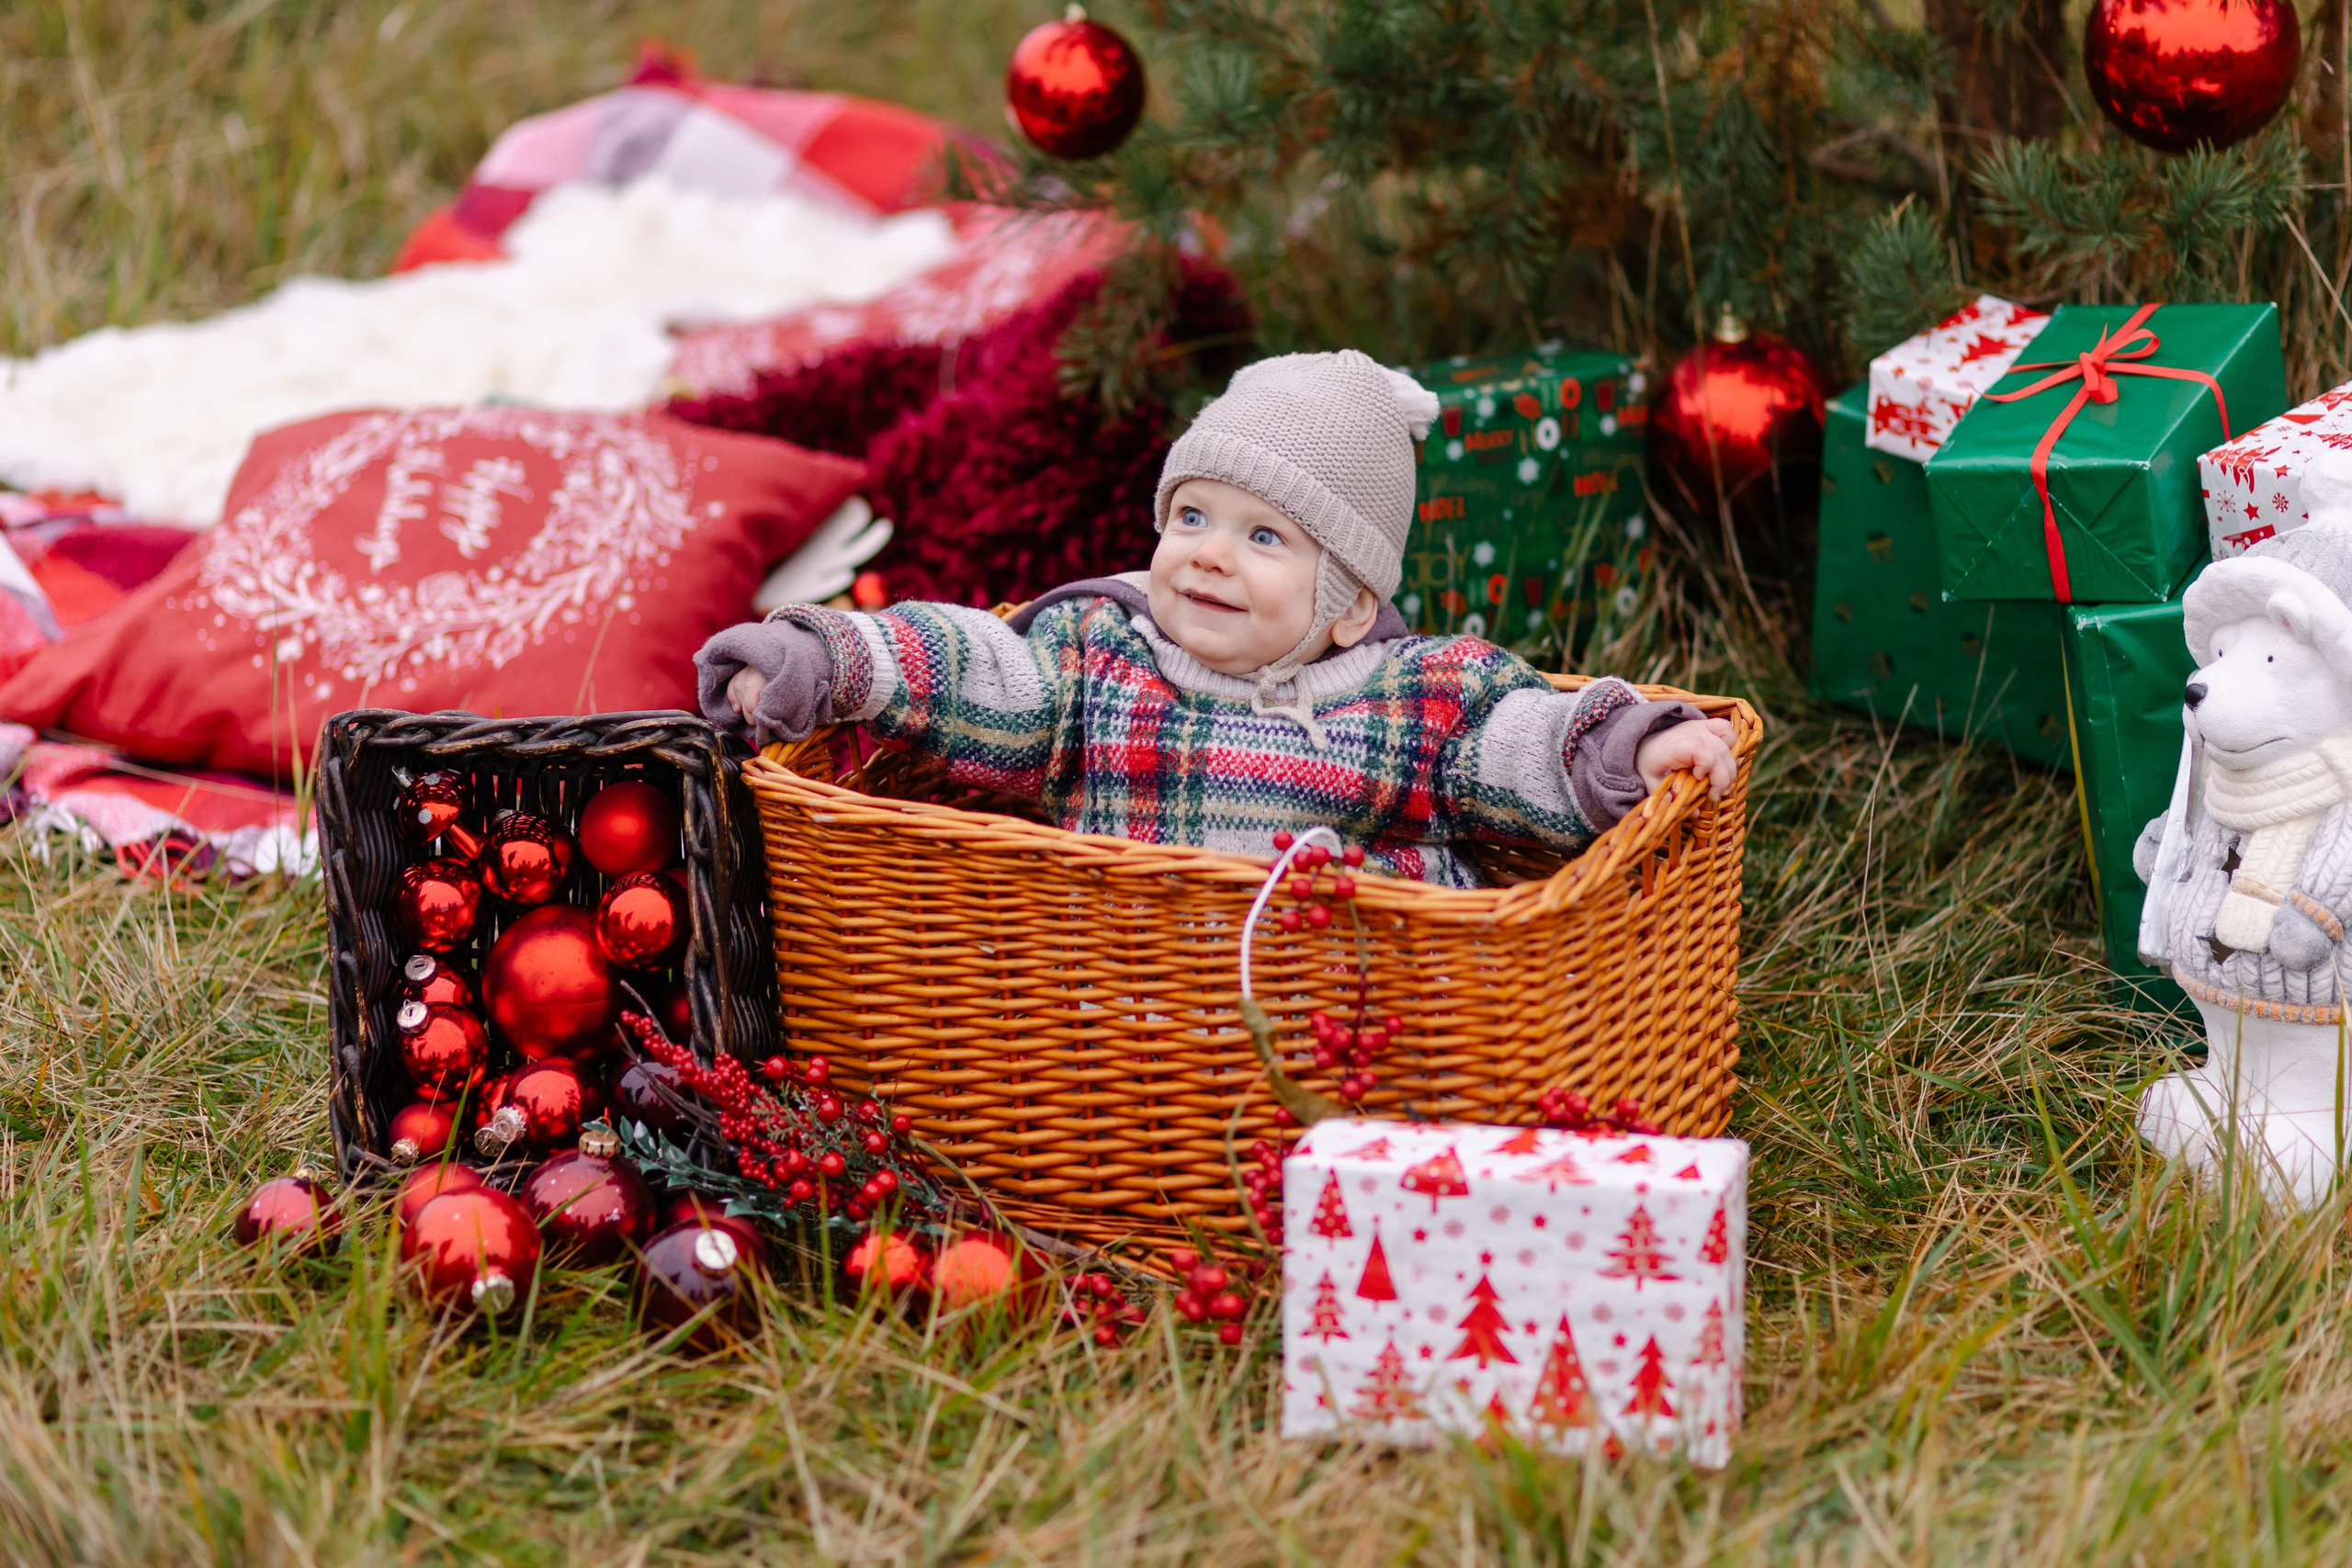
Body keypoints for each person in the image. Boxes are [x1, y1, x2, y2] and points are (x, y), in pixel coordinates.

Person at [695, 349, 1736, 887]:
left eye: (1265, 538)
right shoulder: (1097, 660)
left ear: (1347, 608)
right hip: (1126, 1014)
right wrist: (828, 655)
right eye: (1191, 515)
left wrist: (1628, 747)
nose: (1207, 552)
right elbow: (971, 665)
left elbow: (1525, 742)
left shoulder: (1413, 695)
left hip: (1355, 1018)